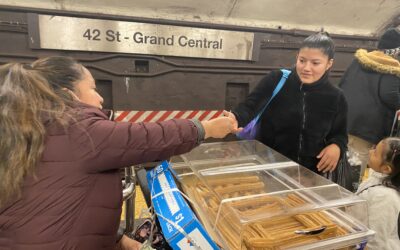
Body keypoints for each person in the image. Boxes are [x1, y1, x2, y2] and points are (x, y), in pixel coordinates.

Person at [0, 57, 239, 250]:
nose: (101, 97)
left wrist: (114, 238)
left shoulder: (31, 128)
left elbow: (57, 203)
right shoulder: (75, 128)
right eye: (93, 88)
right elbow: (148, 137)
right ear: (68, 94)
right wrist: (205, 128)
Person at [228, 32, 348, 174]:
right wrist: (235, 117)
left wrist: (337, 146)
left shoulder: (336, 97)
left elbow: (340, 134)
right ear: (297, 57)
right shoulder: (276, 79)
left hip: (309, 175)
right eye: (302, 60)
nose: (306, 68)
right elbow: (250, 106)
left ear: (329, 64)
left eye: (315, 63)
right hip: (268, 167)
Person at [339, 27, 400, 179]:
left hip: (344, 121)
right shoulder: (390, 66)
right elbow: (389, 95)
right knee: (355, 168)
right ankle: (349, 197)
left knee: (341, 163)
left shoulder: (359, 61)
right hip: (366, 127)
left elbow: (342, 84)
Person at [355, 137, 400, 249]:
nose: (370, 151)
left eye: (375, 153)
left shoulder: (386, 198)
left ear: (386, 169)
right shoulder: (376, 178)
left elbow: (375, 241)